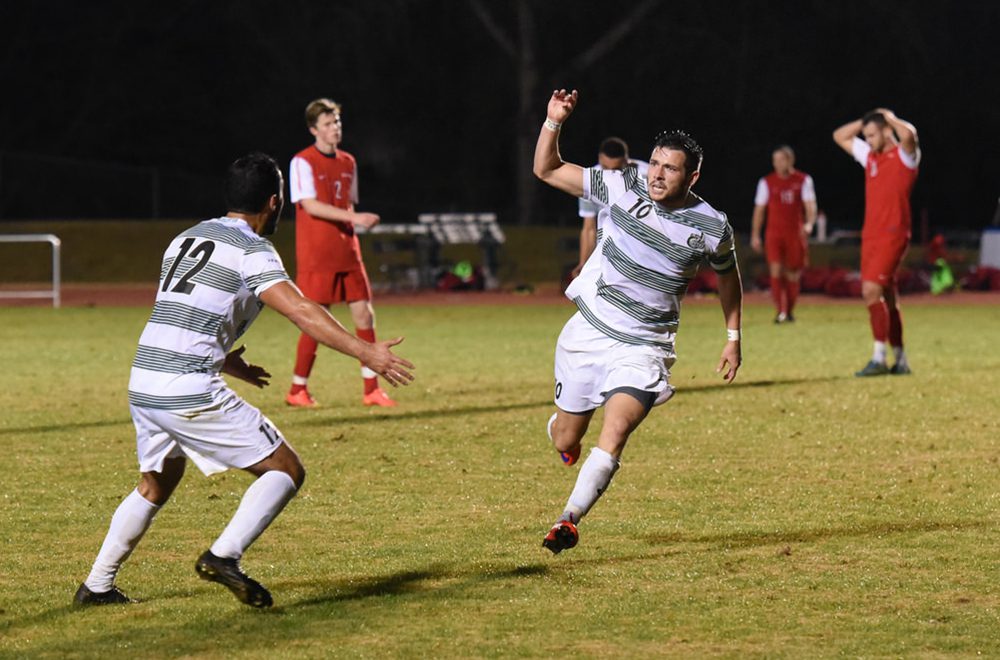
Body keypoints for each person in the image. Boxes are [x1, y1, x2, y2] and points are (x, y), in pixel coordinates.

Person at [73, 153, 414, 608]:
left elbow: (183, 314)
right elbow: (300, 309)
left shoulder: (185, 237)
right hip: (186, 385)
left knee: (156, 483)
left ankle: (96, 586)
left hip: (145, 379)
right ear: (274, 203)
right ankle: (223, 556)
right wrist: (367, 352)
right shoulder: (253, 250)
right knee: (285, 470)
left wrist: (229, 361)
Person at [533, 89, 743, 554]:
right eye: (654, 163)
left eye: (670, 168)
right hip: (589, 333)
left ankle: (567, 519)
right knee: (569, 437)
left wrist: (733, 337)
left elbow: (730, 278)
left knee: (618, 429)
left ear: (693, 176)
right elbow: (546, 169)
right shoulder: (621, 184)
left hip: (644, 347)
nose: (657, 174)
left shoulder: (711, 226)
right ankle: (562, 436)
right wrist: (553, 122)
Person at [286, 98, 396, 408]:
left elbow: (348, 202)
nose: (335, 129)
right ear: (313, 129)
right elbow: (309, 205)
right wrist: (355, 218)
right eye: (327, 124)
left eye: (337, 123)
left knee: (364, 313)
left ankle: (372, 389)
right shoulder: (301, 161)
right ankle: (298, 389)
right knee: (315, 319)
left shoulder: (348, 161)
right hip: (317, 252)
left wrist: (354, 219)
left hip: (347, 250)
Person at [833, 108, 920, 376]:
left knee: (870, 290)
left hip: (893, 234)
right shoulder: (870, 157)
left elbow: (910, 134)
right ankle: (901, 360)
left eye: (872, 135)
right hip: (870, 234)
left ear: (885, 131)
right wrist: (864, 122)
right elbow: (839, 136)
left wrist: (889, 118)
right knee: (888, 297)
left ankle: (879, 358)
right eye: (866, 136)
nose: (867, 140)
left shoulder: (905, 157)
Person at [749, 146, 817, 323]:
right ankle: (780, 311)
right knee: (776, 270)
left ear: (790, 160)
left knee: (793, 273)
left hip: (795, 233)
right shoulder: (766, 182)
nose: (778, 164)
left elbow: (810, 205)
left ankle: (790, 311)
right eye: (775, 160)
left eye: (781, 160)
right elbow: (759, 210)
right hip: (774, 233)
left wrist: (809, 224)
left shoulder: (803, 180)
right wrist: (756, 234)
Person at [572, 137, 649, 278]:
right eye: (606, 169)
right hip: (610, 246)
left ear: (627, 161)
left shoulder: (647, 176)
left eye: (616, 169)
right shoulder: (590, 181)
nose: (610, 174)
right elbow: (589, 229)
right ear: (600, 159)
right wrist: (584, 262)